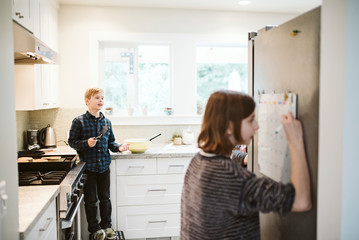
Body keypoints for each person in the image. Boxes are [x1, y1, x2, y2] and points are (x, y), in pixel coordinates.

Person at [180, 90, 311, 240]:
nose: (257, 126)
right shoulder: (233, 178)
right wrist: (295, 140)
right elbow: (301, 201)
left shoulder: (197, 162)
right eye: (251, 120)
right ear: (229, 126)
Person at [68, 88, 129, 240]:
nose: (101, 100)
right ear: (87, 101)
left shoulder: (106, 122)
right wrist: (86, 144)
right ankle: (95, 230)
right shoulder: (79, 121)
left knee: (105, 199)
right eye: (97, 98)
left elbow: (111, 143)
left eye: (102, 98)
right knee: (90, 201)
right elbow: (72, 142)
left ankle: (107, 226)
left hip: (104, 168)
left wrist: (119, 148)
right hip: (88, 169)